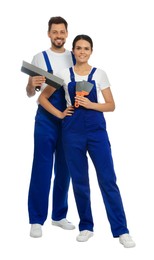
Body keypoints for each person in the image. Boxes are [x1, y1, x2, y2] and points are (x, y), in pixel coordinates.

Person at [38, 34, 136, 248]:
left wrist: (91, 105)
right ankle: (86, 226)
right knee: (80, 181)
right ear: (73, 51)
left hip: (96, 132)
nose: (82, 52)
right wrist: (61, 113)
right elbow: (42, 97)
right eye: (79, 48)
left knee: (108, 179)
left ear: (91, 51)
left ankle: (121, 230)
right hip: (71, 131)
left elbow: (111, 105)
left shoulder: (99, 74)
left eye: (86, 48)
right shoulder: (63, 74)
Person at [26, 16, 76, 238]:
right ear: (49, 34)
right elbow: (30, 93)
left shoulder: (75, 56)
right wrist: (30, 84)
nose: (58, 36)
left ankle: (58, 216)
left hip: (68, 119)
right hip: (45, 119)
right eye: (54, 32)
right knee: (42, 168)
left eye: (62, 32)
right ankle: (36, 219)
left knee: (64, 169)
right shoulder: (39, 58)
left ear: (67, 33)